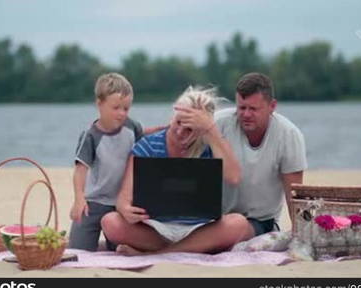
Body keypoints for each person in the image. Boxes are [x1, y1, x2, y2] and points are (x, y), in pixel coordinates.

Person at [100, 86, 252, 256]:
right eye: (178, 122)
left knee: (239, 223)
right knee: (110, 222)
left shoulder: (210, 146)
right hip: (156, 229)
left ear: (202, 129)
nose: (180, 132)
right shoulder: (149, 145)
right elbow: (123, 199)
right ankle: (185, 249)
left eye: (189, 129)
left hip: (200, 229)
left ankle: (157, 253)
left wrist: (211, 130)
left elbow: (234, 177)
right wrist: (126, 210)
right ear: (172, 116)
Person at [68, 72, 162, 251]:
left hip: (121, 205)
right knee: (77, 251)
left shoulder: (131, 126)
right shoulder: (90, 136)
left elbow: (144, 135)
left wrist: (163, 129)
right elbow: (80, 171)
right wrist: (79, 199)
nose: (121, 113)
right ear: (99, 104)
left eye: (126, 108)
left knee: (118, 251)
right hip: (93, 203)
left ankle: (110, 244)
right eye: (116, 107)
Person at [215, 72, 307, 236]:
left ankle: (171, 251)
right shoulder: (218, 124)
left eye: (253, 109)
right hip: (216, 217)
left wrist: (302, 237)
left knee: (235, 226)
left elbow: (295, 197)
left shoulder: (289, 135)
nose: (246, 114)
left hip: (260, 223)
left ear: (272, 106)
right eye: (241, 108)